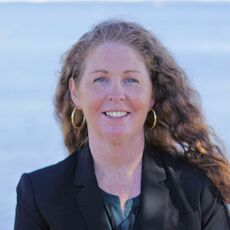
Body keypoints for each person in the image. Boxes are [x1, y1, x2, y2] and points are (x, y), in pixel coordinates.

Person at [14, 19, 230, 230]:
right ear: (75, 92)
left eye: (131, 80)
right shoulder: (38, 194)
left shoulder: (197, 190)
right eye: (101, 79)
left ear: (152, 94)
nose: (116, 94)